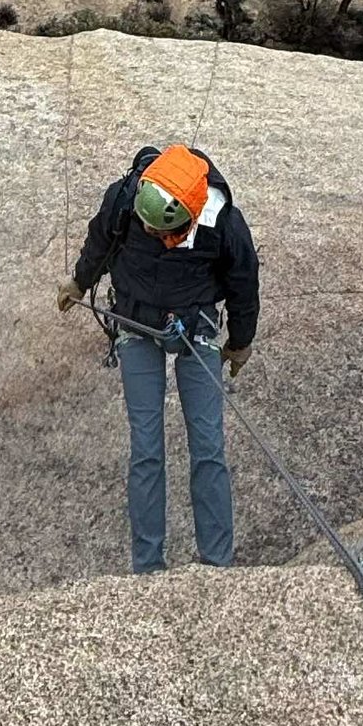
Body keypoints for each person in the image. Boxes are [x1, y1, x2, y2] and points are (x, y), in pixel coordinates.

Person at [59, 142, 259, 574]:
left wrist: (240, 341)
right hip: (136, 323)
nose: (150, 235)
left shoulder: (221, 220)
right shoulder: (126, 198)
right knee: (146, 449)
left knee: (208, 447)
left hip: (197, 326)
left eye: (158, 231)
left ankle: (217, 565)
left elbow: (244, 281)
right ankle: (148, 568)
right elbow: (99, 240)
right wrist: (79, 282)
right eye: (146, 228)